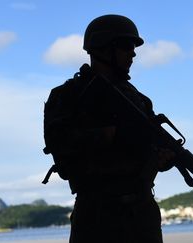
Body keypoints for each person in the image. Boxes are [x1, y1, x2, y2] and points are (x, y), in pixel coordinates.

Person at [43, 14, 174, 243]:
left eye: (134, 47)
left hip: (142, 215)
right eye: (126, 45)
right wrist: (112, 134)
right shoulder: (69, 96)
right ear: (102, 48)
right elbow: (60, 144)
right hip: (97, 217)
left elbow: (152, 146)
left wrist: (162, 158)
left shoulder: (138, 100)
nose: (133, 53)